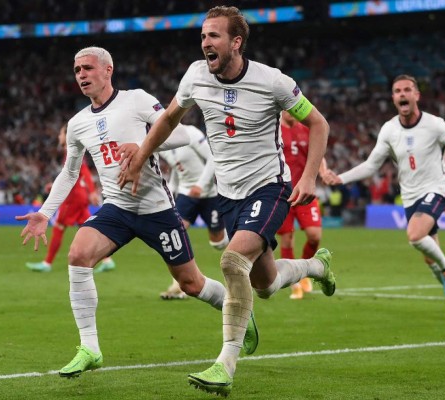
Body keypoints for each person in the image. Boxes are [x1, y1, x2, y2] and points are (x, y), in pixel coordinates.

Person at [118, 6, 336, 396]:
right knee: (265, 284)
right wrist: (139, 157)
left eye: (214, 36)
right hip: (229, 194)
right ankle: (315, 266)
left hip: (270, 187)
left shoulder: (274, 82)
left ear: (236, 42)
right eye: (203, 36)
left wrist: (307, 177)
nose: (205, 43)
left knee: (231, 261)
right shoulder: (196, 75)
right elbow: (169, 118)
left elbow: (318, 122)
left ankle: (226, 364)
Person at [15, 46, 258, 379]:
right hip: (116, 208)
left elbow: (184, 135)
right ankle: (90, 348)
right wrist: (45, 212)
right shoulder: (77, 123)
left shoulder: (137, 100)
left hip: (157, 209)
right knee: (78, 255)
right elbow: (70, 172)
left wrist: (144, 146)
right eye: (76, 71)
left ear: (108, 70)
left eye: (87, 68)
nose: (82, 75)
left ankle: (238, 306)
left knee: (191, 283)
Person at [324, 74, 445, 322]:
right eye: (397, 91)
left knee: (415, 235)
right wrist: (341, 178)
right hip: (410, 195)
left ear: (416, 95)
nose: (402, 94)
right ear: (393, 98)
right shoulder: (389, 130)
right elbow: (371, 165)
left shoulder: (435, 125)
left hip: (437, 188)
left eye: (407, 90)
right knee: (428, 255)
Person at [25, 123, 116, 273]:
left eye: (61, 134)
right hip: (80, 196)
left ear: (66, 136)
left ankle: (47, 263)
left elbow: (84, 170)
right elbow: (71, 175)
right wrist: (54, 185)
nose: (59, 136)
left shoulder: (71, 151)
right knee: (90, 228)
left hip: (73, 197)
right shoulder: (72, 151)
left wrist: (92, 191)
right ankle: (107, 260)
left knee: (59, 227)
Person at [158, 124, 229, 300]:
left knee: (218, 243)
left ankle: (243, 260)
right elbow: (176, 168)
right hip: (186, 194)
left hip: (209, 193)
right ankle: (179, 284)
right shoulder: (162, 142)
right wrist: (172, 191)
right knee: (177, 233)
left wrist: (201, 185)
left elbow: (213, 158)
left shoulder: (190, 133)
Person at [277, 110, 331, 300]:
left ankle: (306, 271)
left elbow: (318, 154)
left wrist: (323, 172)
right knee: (287, 239)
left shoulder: (306, 129)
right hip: (282, 194)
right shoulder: (274, 130)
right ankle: (295, 284)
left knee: (314, 236)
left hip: (305, 192)